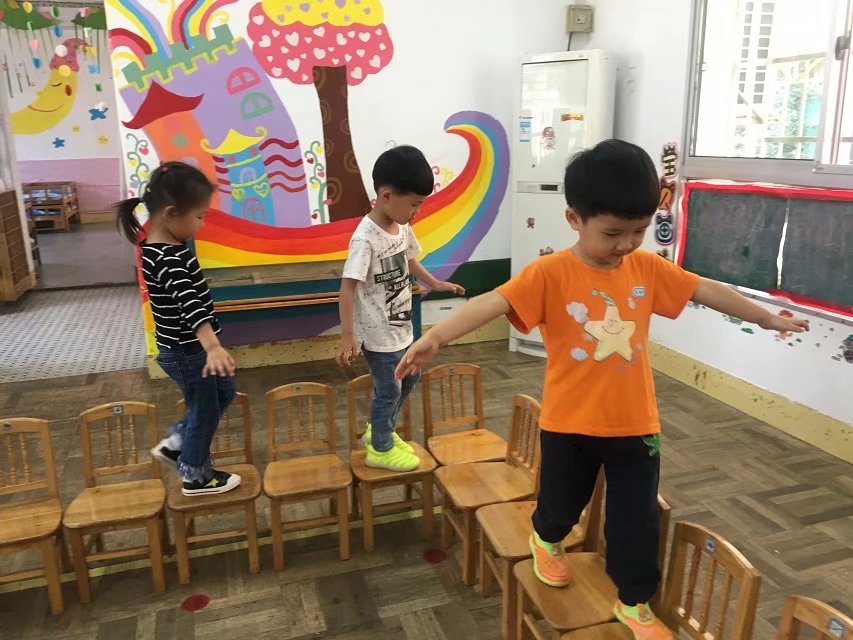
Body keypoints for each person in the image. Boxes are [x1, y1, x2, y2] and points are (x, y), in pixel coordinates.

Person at [395, 140, 808, 640]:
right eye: (612, 233)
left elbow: (702, 288)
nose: (626, 244)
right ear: (575, 219)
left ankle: (634, 601)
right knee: (561, 504)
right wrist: (435, 337)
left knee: (637, 520)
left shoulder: (647, 269)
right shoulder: (549, 273)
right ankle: (546, 540)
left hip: (636, 423)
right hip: (569, 422)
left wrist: (764, 317)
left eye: (638, 231)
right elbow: (492, 302)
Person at [336, 145, 465, 472]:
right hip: (378, 336)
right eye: (414, 204)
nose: (416, 211)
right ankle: (379, 448)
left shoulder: (401, 226)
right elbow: (347, 287)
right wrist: (348, 335)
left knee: (409, 378)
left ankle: (380, 430)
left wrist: (435, 283)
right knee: (389, 388)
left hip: (402, 327)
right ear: (386, 196)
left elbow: (409, 259)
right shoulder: (365, 238)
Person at [116, 161, 241, 497]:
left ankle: (177, 444)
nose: (202, 224)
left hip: (186, 348)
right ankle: (195, 476)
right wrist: (212, 346)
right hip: (188, 351)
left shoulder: (161, 248)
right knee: (206, 408)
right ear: (171, 213)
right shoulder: (168, 258)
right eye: (199, 216)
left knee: (222, 394)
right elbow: (191, 306)